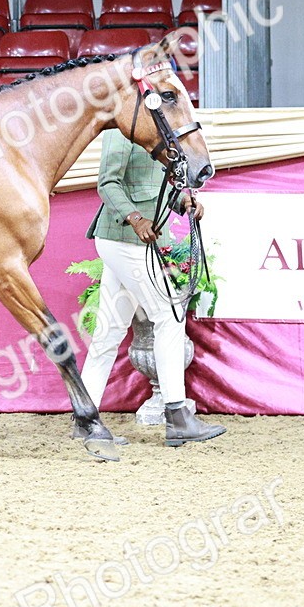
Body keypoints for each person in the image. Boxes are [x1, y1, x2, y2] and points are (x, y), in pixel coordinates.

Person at [81, 128, 226, 446]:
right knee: (170, 314)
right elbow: (108, 183)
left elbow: (153, 187)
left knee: (109, 333)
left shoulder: (155, 130)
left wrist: (182, 201)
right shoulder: (119, 131)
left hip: (136, 240)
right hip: (122, 237)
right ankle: (177, 417)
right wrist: (135, 218)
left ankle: (84, 419)